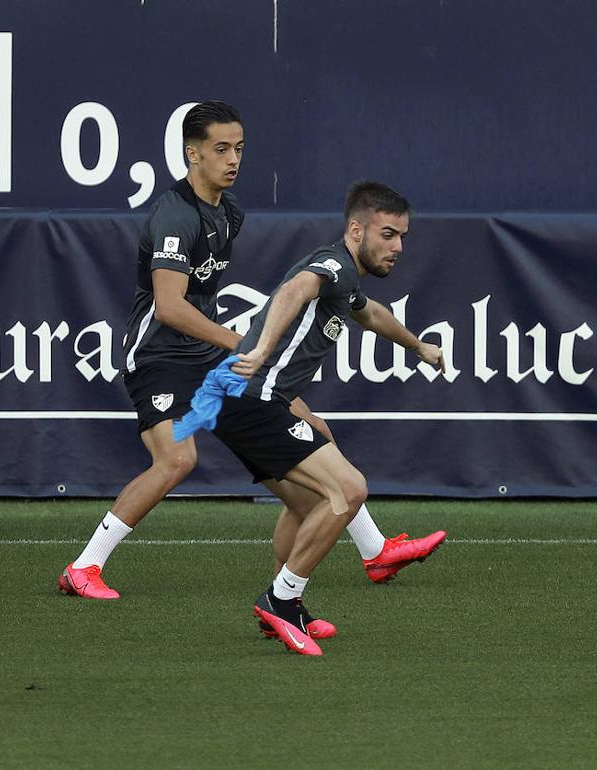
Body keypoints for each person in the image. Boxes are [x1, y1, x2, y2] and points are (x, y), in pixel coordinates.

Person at [57, 102, 442, 601]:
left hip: (202, 356)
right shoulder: (176, 215)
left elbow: (362, 310)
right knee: (176, 460)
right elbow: (170, 307)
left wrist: (416, 346)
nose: (233, 159)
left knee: (308, 431)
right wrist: (244, 343)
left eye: (239, 148)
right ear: (192, 154)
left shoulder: (229, 212)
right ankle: (83, 568)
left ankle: (370, 551)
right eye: (221, 149)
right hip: (157, 357)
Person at [176, 181, 440, 656]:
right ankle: (281, 600)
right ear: (356, 229)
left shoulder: (348, 281)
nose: (397, 246)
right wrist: (257, 349)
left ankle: (291, 605)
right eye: (387, 234)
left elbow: (373, 315)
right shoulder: (334, 264)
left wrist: (418, 346)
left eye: (402, 236)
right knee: (349, 489)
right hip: (252, 399)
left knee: (307, 500)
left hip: (248, 401)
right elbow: (295, 289)